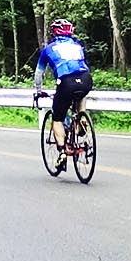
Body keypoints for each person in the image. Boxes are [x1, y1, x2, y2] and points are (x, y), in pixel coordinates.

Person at [32, 19, 92, 172]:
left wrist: (38, 91)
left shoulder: (48, 49)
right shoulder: (78, 46)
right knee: (80, 94)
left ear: (54, 33)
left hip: (66, 82)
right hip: (85, 79)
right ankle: (81, 121)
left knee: (57, 118)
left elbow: (39, 73)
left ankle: (63, 151)